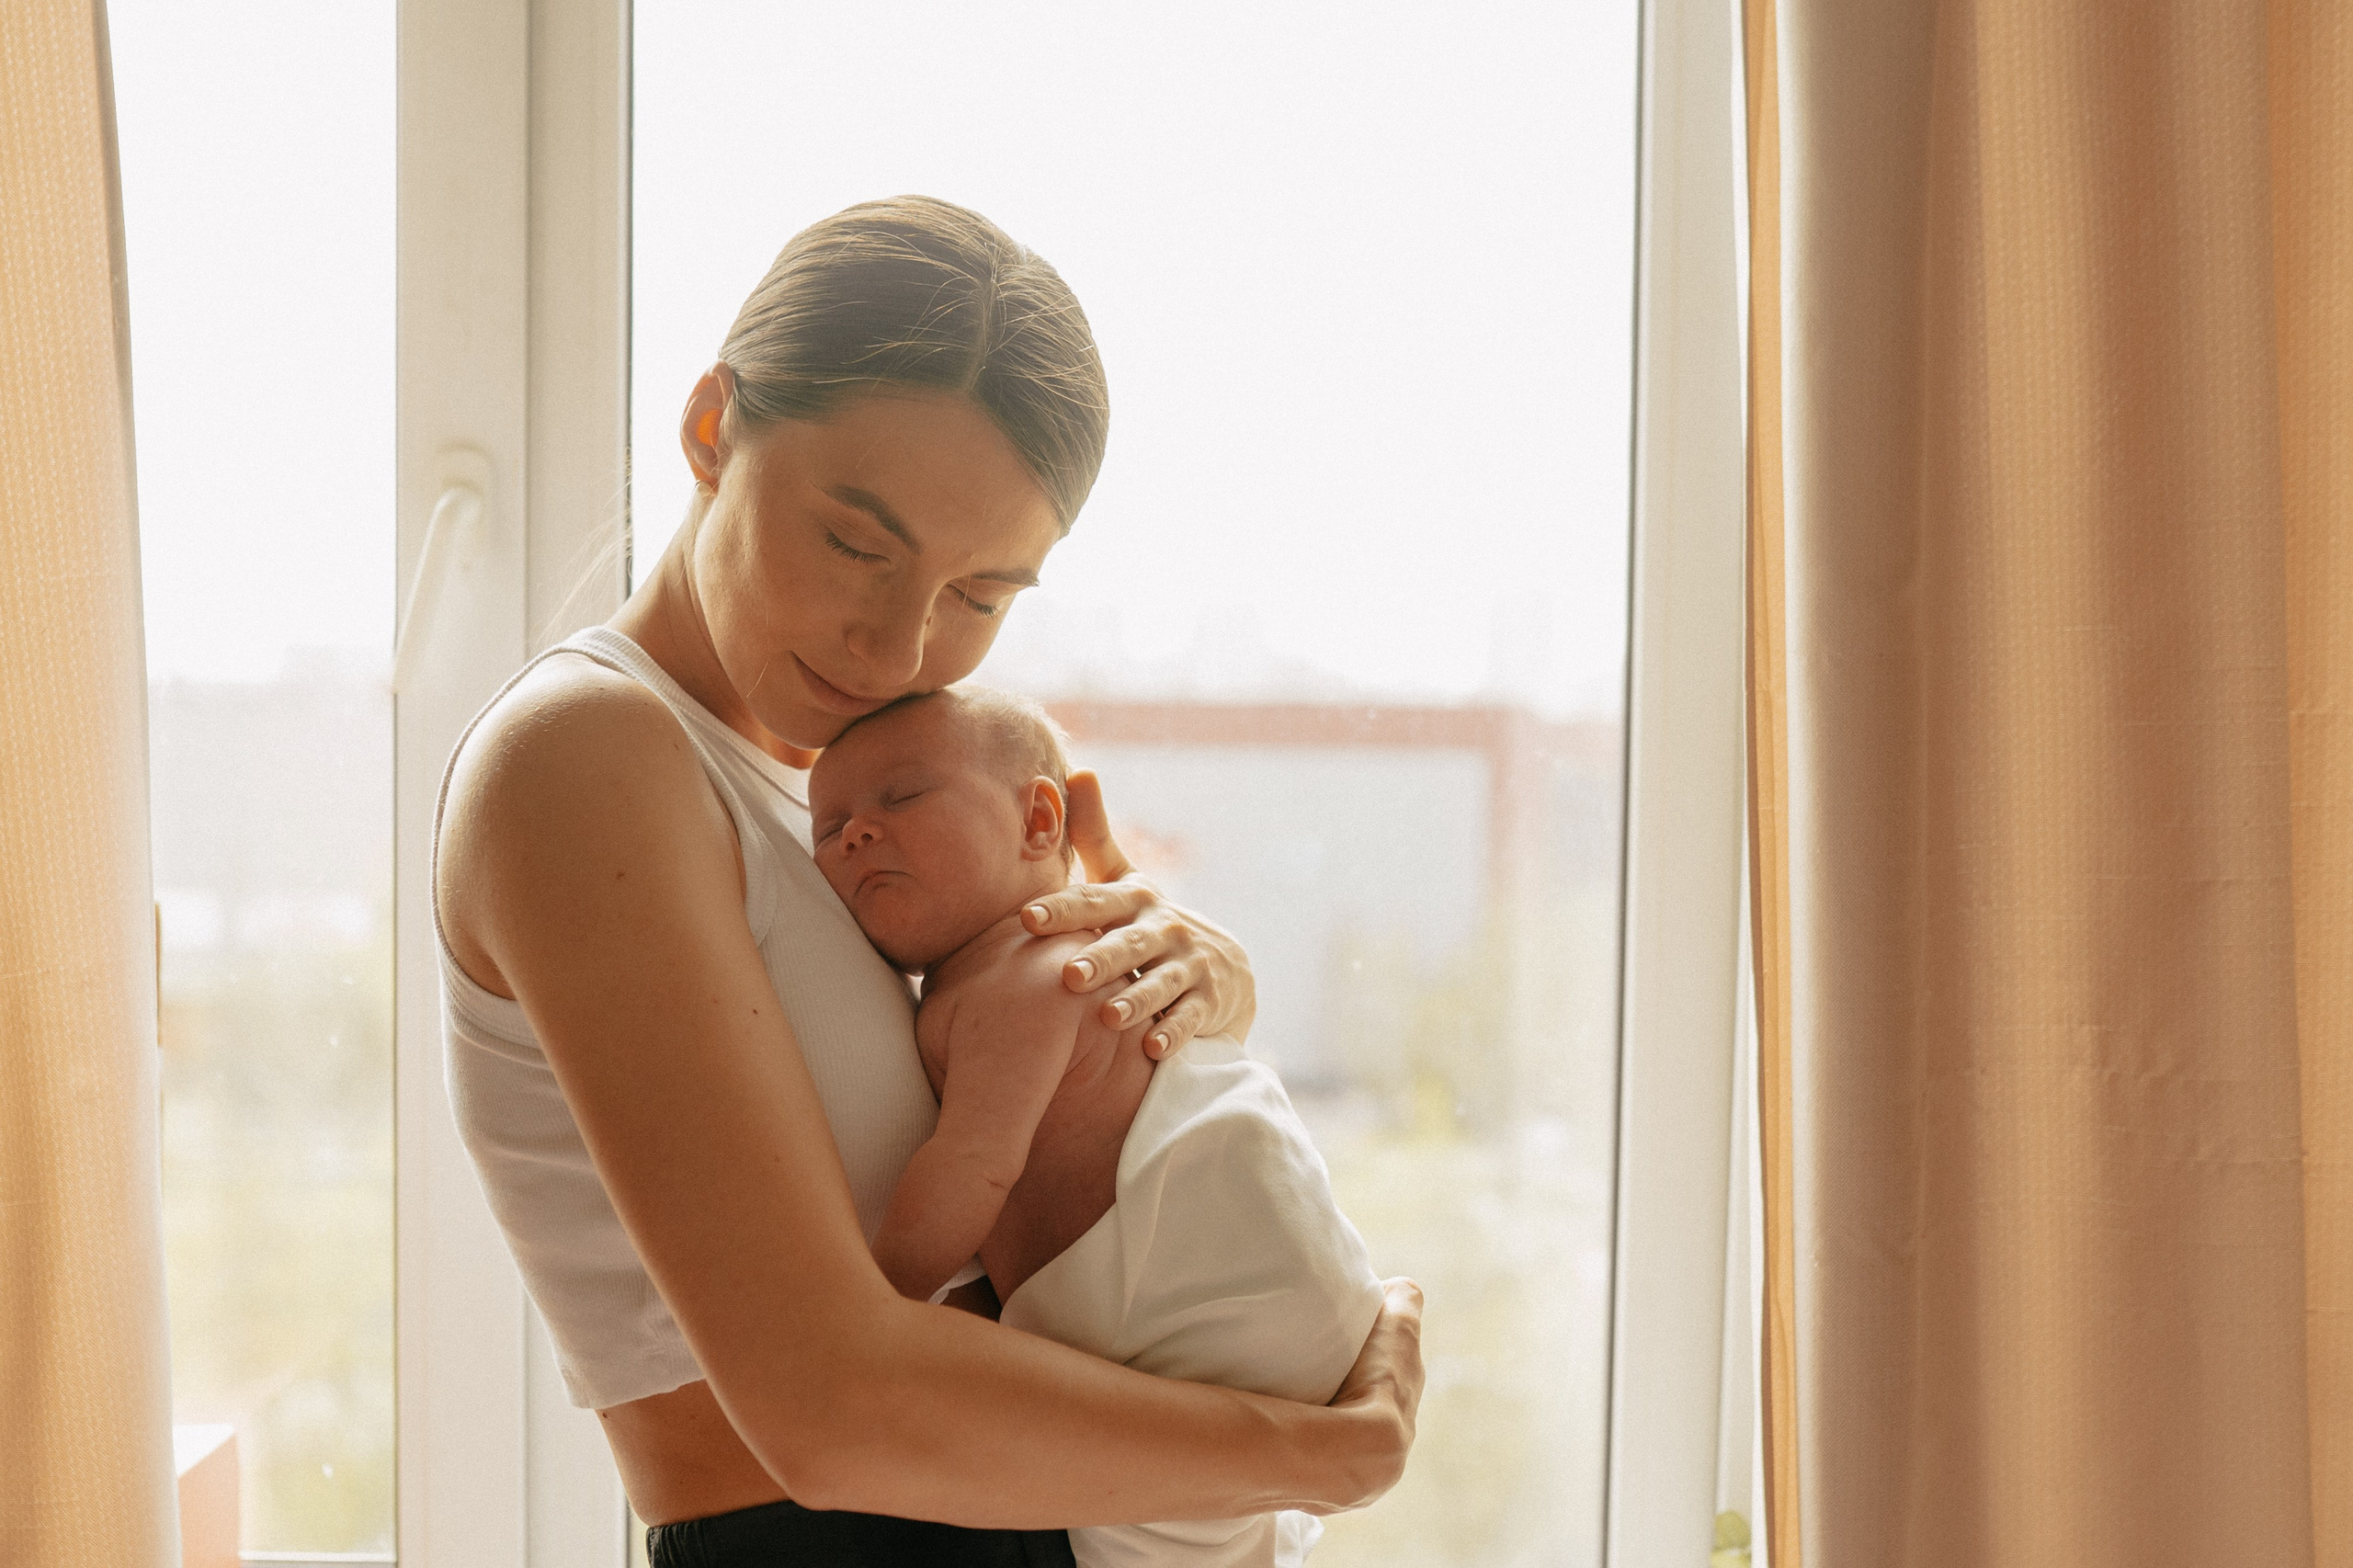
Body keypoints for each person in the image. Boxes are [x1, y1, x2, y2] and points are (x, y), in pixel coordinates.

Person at [431, 196, 1423, 1566]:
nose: (901, 642)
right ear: (713, 427)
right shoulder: (590, 756)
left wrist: (1193, 977)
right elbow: (828, 1410)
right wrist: (1322, 1450)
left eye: (983, 593)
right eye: (857, 543)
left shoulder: (839, 787)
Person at [809, 685, 1386, 1568]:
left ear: (1041, 820)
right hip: (1291, 1302)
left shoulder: (1028, 974)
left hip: (1195, 1311)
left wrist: (871, 1304)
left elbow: (971, 1169)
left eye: (902, 797)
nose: (855, 834)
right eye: (829, 825)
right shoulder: (1055, 965)